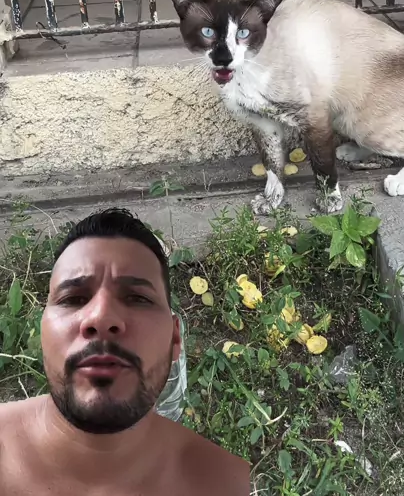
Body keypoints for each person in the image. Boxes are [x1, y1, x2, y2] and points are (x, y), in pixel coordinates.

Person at [0, 208, 249, 495]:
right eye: (74, 298)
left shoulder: (226, 484)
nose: (101, 317)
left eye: (137, 298)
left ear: (175, 338)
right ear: (42, 332)